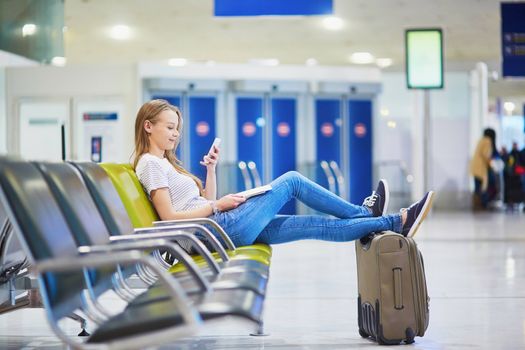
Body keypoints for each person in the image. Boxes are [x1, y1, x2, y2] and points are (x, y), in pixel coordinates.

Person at [132, 99, 434, 249]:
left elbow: (202, 201)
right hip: (218, 229)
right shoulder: (149, 163)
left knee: (313, 225)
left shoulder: (166, 164)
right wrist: (216, 206)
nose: (175, 135)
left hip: (219, 227)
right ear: (149, 126)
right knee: (291, 180)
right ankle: (363, 211)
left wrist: (210, 170)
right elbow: (169, 217)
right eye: (169, 128)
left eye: (177, 129)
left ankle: (395, 222)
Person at [470, 128, 496, 211]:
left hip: (475, 167)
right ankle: (483, 205)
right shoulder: (488, 141)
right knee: (484, 187)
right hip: (481, 167)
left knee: (478, 187)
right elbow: (486, 155)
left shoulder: (481, 140)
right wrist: (491, 165)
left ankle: (477, 206)